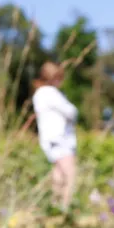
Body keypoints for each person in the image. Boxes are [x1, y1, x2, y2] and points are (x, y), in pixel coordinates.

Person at [32, 61, 79, 212]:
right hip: (60, 138)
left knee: (58, 174)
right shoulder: (49, 93)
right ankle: (65, 208)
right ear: (54, 77)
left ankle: (54, 207)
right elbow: (71, 111)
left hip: (50, 139)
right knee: (70, 174)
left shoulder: (39, 93)